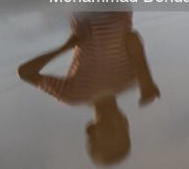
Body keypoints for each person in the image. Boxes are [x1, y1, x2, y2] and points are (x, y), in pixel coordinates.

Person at [17, 13, 161, 165]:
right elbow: (132, 39)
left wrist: (66, 47)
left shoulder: (72, 95)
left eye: (108, 133)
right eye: (118, 131)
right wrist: (146, 78)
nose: (112, 126)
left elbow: (26, 72)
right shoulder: (132, 79)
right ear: (126, 123)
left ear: (91, 129)